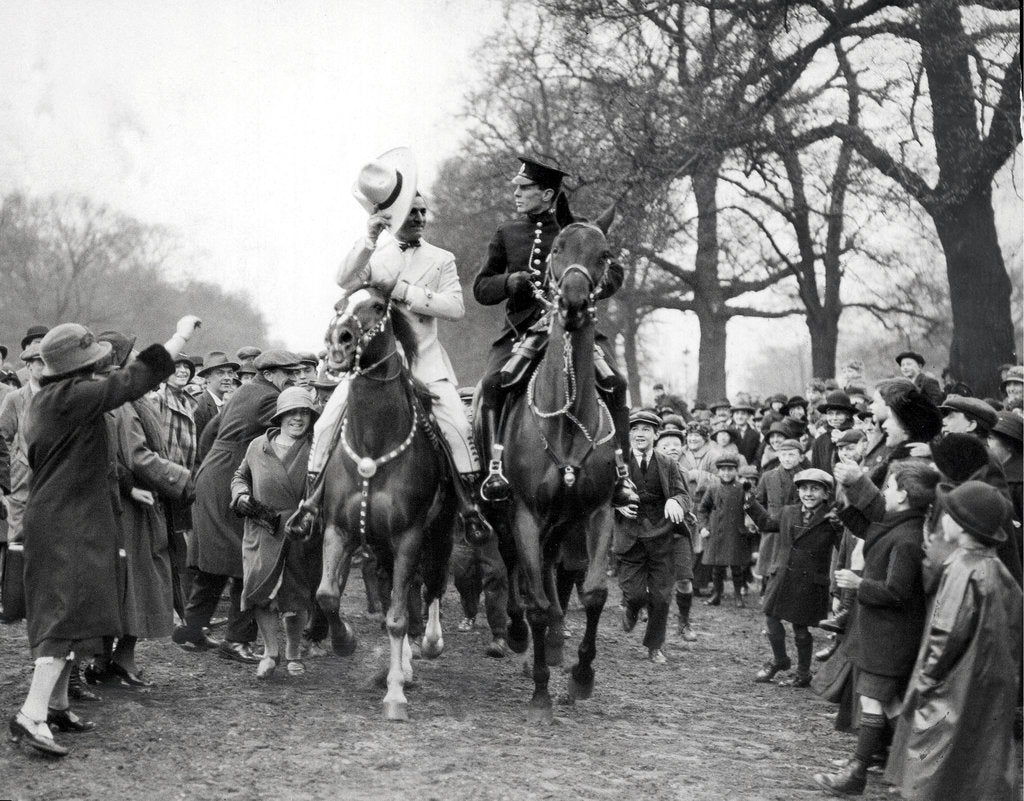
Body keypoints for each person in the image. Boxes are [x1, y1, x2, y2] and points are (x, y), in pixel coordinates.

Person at [8, 316, 198, 758]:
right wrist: (180, 336)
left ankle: (55, 707)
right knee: (62, 617)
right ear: (77, 369)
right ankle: (30, 716)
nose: (102, 368)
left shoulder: (51, 399)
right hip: (65, 524)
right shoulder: (71, 399)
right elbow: (135, 379)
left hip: (66, 518)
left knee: (73, 615)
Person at [306, 148, 490, 544]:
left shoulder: (442, 259)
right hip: (376, 368)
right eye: (413, 213)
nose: (421, 218)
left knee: (458, 427)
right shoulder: (377, 256)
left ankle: (469, 507)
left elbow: (455, 307)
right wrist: (367, 241)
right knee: (325, 423)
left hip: (425, 362)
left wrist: (403, 290)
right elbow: (344, 279)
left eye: (423, 212)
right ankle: (310, 505)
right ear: (392, 221)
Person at [471, 155, 635, 507]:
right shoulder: (507, 233)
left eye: (524, 188)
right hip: (521, 333)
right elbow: (481, 288)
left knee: (617, 383)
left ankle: (622, 473)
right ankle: (494, 471)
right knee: (490, 384)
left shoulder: (578, 231)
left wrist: (587, 290)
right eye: (516, 187)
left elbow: (613, 273)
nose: (516, 192)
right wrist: (509, 282)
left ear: (547, 195)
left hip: (575, 329)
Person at [884, 481, 1022, 801]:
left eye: (945, 514)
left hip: (951, 687)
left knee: (930, 761)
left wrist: (927, 679)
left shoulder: (963, 568)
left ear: (961, 525)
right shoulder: (997, 571)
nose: (941, 520)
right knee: (974, 764)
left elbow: (947, 633)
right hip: (986, 685)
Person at [811, 459, 938, 796]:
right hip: (883, 634)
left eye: (890, 487)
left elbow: (896, 591)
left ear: (905, 496)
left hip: (888, 637)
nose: (884, 492)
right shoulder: (902, 524)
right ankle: (921, 769)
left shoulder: (908, 539)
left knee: (873, 702)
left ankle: (857, 772)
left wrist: (858, 581)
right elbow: (869, 527)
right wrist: (845, 500)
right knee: (892, 705)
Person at [175, 349, 301, 663]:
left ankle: (191, 631)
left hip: (213, 474)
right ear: (270, 374)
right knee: (247, 559)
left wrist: (214, 463)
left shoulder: (245, 391)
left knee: (215, 559)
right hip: (230, 480)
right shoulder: (271, 398)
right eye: (290, 373)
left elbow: (209, 432)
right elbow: (295, 437)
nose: (296, 378)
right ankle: (237, 640)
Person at [86, 332, 191, 689]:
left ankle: (106, 660)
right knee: (139, 584)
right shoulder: (125, 404)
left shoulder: (129, 401)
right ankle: (119, 660)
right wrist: (183, 479)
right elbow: (137, 456)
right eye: (132, 356)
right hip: (132, 508)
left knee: (125, 584)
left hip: (129, 502)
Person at [231, 386, 319, 680]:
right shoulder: (258, 446)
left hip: (299, 529)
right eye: (291, 412)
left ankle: (293, 652)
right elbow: (240, 476)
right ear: (279, 416)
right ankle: (270, 651)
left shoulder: (317, 448)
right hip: (261, 527)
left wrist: (312, 510)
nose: (297, 419)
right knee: (259, 592)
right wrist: (241, 494)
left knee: (296, 595)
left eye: (304, 413)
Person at [746, 468, 841, 688]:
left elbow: (842, 546)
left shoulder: (832, 518)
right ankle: (780, 660)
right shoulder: (788, 511)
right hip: (782, 575)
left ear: (826, 494)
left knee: (800, 628)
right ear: (798, 491)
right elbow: (767, 524)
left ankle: (803, 672)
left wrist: (840, 526)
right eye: (804, 488)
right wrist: (750, 502)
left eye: (815, 489)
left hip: (810, 582)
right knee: (771, 617)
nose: (808, 493)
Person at [614, 410, 691, 664]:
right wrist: (617, 505)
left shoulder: (668, 464)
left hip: (662, 537)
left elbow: (683, 494)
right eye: (635, 429)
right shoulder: (618, 462)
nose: (639, 434)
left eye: (646, 430)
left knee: (661, 597)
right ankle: (632, 607)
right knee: (635, 594)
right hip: (630, 537)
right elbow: (601, 495)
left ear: (655, 435)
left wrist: (676, 502)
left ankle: (654, 646)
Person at [656, 427, 698, 640]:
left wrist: (688, 512)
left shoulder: (683, 471)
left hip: (679, 532)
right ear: (656, 448)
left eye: (676, 445)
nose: (672, 449)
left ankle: (684, 622)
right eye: (666, 446)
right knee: (656, 583)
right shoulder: (648, 469)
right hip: (654, 532)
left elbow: (688, 499)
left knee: (684, 580)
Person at [699, 455, 752, 608]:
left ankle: (738, 596)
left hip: (735, 532)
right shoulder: (713, 488)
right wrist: (703, 527)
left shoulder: (742, 488)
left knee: (736, 567)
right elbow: (702, 509)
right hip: (717, 532)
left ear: (736, 471)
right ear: (718, 471)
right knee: (717, 568)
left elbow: (750, 509)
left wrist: (750, 524)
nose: (726, 473)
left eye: (730, 470)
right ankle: (716, 594)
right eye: (723, 470)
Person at [192, 350, 240, 444]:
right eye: (220, 373)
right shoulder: (199, 406)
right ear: (207, 377)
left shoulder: (228, 406)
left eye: (230, 373)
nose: (227, 378)